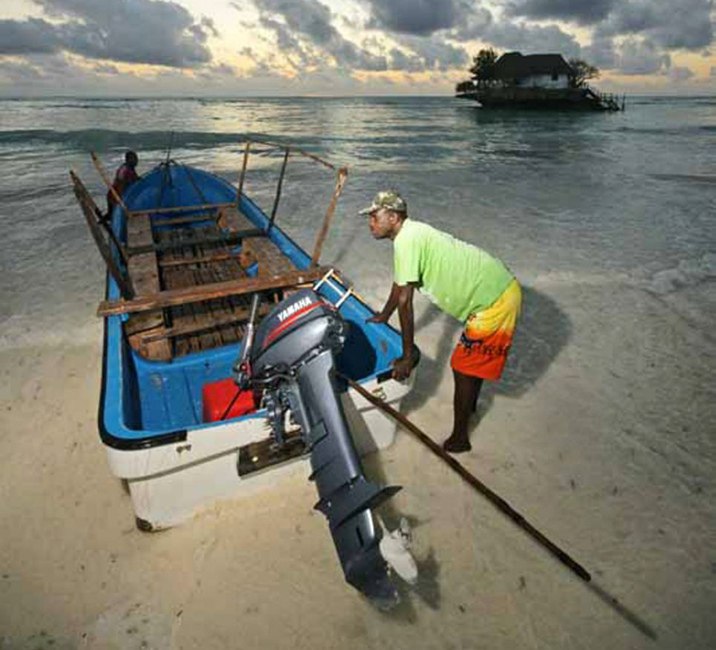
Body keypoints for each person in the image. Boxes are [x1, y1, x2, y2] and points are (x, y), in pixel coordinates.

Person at [362, 190, 521, 454]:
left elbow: (405, 301)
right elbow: (400, 283)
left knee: (462, 366)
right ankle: (469, 407)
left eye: (374, 217)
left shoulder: (406, 240)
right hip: (497, 288)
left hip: (495, 300)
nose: (371, 223)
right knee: (471, 364)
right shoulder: (409, 234)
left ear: (393, 217)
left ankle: (460, 439)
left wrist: (407, 354)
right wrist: (384, 314)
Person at [106, 150, 140, 215]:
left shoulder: (131, 169)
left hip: (120, 195)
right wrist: (121, 200)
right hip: (114, 197)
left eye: (136, 158)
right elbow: (120, 185)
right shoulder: (124, 170)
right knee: (112, 215)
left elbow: (135, 180)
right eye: (134, 159)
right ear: (128, 160)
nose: (136, 161)